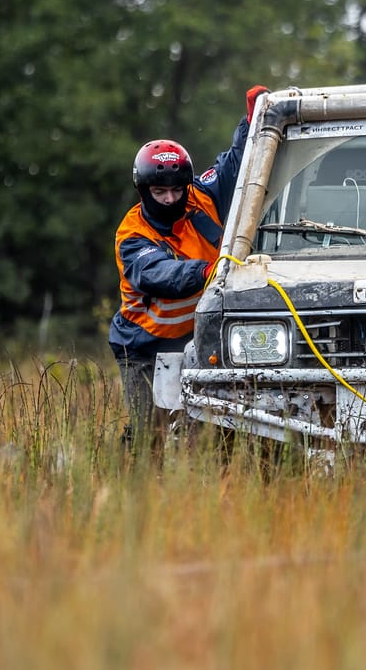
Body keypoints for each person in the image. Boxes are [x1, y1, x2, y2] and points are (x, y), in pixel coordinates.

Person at [109, 85, 269, 457]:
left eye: (176, 190)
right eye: (159, 192)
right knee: (151, 435)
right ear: (143, 188)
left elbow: (236, 164)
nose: (169, 199)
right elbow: (160, 274)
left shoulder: (201, 195)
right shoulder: (132, 235)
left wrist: (252, 120)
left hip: (198, 338)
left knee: (211, 429)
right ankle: (138, 481)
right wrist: (208, 271)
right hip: (144, 347)